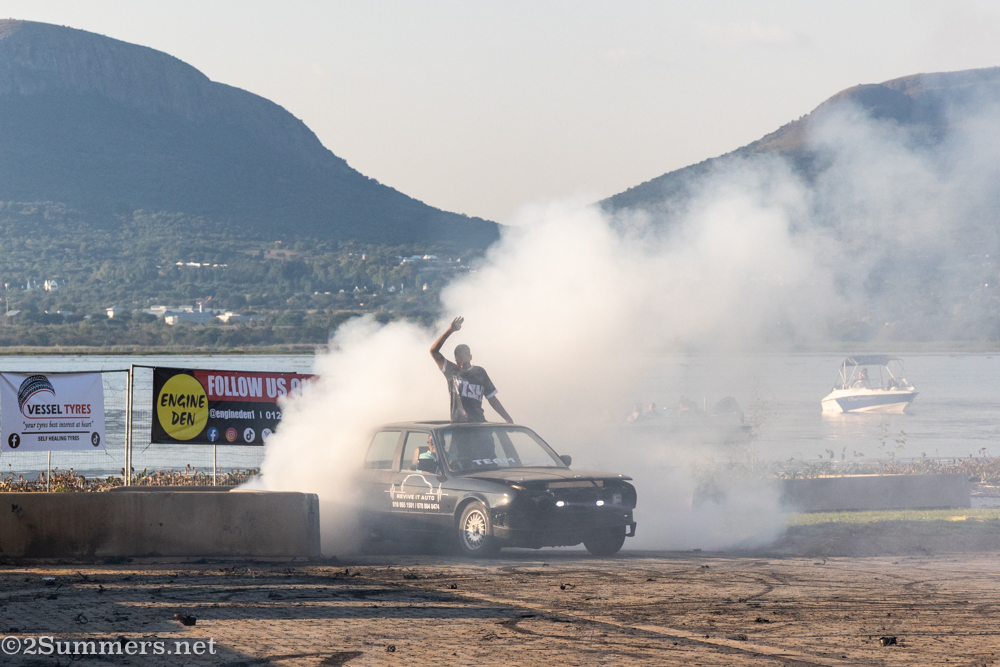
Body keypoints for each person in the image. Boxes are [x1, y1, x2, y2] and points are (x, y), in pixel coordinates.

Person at [430, 316, 513, 424]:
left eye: (463, 363)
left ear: (470, 357)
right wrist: (450, 330)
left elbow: (492, 399)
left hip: (479, 426)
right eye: (457, 362)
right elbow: (433, 351)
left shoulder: (480, 373)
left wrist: (507, 418)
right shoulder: (451, 371)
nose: (460, 366)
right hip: (459, 428)